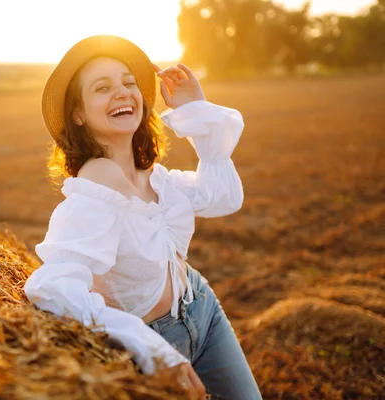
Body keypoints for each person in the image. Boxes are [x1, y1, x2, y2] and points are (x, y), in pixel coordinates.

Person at [24, 35, 262, 400]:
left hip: (203, 309)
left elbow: (224, 197)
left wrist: (195, 110)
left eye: (129, 82)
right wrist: (151, 349)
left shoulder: (156, 178)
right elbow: (52, 286)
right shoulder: (93, 192)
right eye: (103, 88)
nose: (122, 92)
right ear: (79, 113)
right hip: (151, 337)